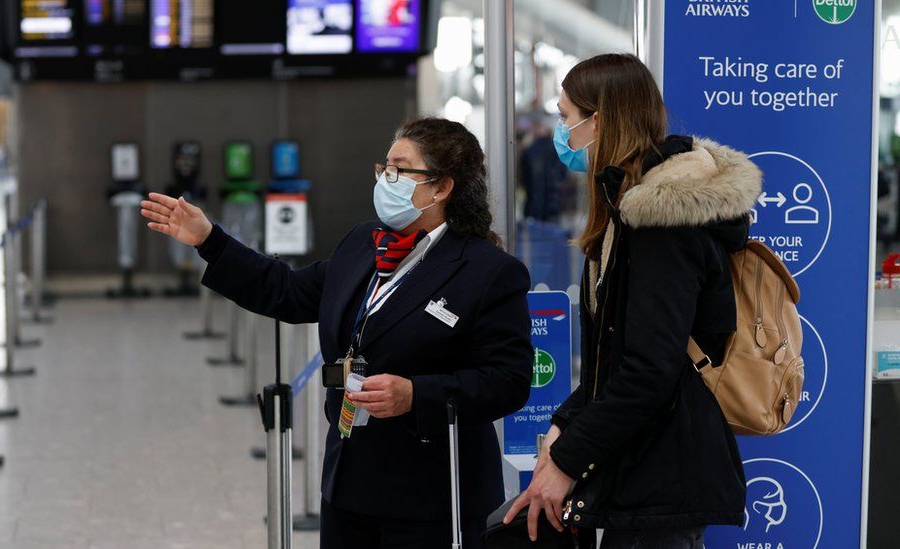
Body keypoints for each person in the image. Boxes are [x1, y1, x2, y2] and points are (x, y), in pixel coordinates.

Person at [141, 117, 534, 548]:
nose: (388, 178)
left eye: (401, 169)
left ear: (441, 188)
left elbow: (507, 382)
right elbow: (288, 292)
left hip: (433, 496)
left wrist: (416, 394)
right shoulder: (366, 243)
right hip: (350, 482)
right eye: (385, 167)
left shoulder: (488, 272)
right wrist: (210, 241)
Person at [506, 53, 757, 548]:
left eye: (566, 117)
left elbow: (649, 369)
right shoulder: (626, 209)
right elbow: (613, 359)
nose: (562, 132)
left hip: (663, 470)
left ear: (599, 120)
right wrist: (563, 427)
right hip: (642, 462)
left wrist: (567, 460)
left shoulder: (660, 222)